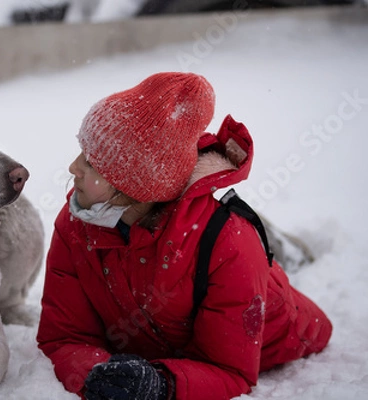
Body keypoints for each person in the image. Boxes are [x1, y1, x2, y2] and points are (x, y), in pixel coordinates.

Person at [36, 72, 332, 400]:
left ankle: (293, 250)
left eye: (91, 163)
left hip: (281, 332)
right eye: (81, 151)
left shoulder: (230, 243)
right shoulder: (78, 223)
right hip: (169, 332)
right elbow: (64, 336)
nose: (73, 167)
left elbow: (231, 372)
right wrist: (97, 375)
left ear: (134, 188)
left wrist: (161, 385)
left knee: (254, 249)